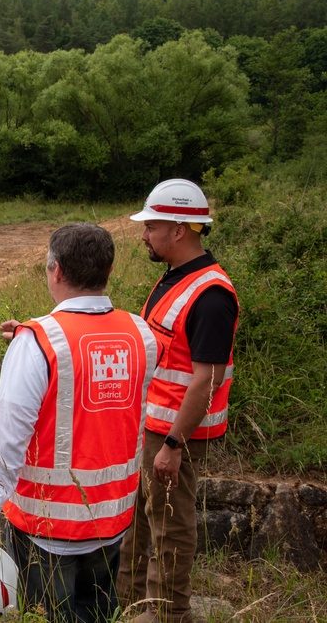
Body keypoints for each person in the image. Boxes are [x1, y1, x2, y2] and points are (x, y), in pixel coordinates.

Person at [0, 223, 160, 623]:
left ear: (56, 270)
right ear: (107, 272)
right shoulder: (141, 335)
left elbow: (4, 443)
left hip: (45, 531)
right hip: (113, 523)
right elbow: (94, 370)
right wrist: (29, 340)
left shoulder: (39, 343)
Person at [116, 179, 239, 623]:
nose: (144, 235)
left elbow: (207, 380)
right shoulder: (175, 278)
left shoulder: (210, 296)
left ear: (180, 228)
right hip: (154, 426)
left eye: (151, 226)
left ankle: (169, 613)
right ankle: (129, 603)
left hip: (176, 434)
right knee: (141, 518)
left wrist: (172, 444)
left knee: (170, 523)